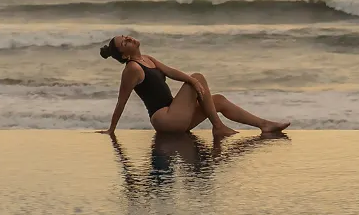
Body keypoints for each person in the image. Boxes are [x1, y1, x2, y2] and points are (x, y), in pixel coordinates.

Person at [98, 34, 290, 138]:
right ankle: (218, 126)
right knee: (196, 77)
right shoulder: (132, 68)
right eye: (125, 42)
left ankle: (264, 125)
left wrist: (192, 81)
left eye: (126, 37)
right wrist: (111, 130)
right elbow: (121, 101)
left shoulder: (147, 59)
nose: (129, 38)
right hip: (165, 119)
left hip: (175, 114)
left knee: (219, 101)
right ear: (125, 55)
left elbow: (172, 72)